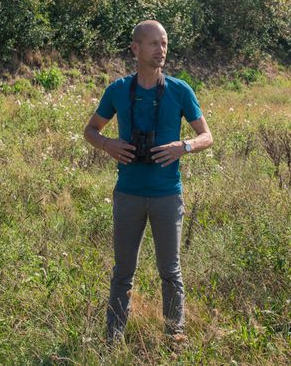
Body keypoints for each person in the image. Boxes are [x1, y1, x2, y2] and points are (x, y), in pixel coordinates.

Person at [83, 20, 213, 345]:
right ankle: (112, 338)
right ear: (135, 49)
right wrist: (107, 145)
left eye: (165, 43)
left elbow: (207, 136)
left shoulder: (180, 90)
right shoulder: (117, 90)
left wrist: (182, 147)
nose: (161, 50)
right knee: (123, 272)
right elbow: (91, 130)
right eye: (154, 44)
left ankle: (175, 336)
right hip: (128, 194)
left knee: (170, 272)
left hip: (167, 195)